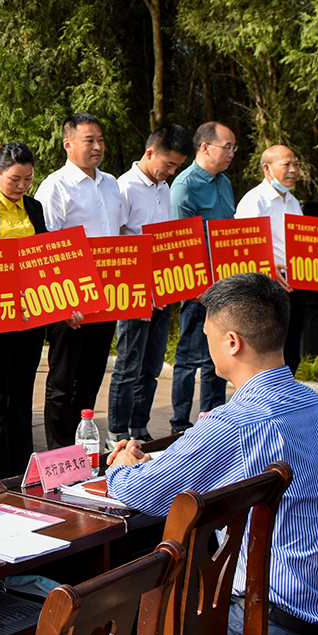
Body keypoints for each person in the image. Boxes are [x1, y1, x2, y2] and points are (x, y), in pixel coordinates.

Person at [106, 273, 318, 635]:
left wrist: (124, 467)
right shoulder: (316, 406)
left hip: (275, 634)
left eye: (207, 336)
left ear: (232, 342)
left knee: (120, 620)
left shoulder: (236, 422)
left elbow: (144, 493)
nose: (205, 345)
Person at [35, 113, 124, 447]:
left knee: (91, 377)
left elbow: (120, 236)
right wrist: (62, 304)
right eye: (89, 140)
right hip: (71, 301)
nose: (97, 146)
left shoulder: (111, 183)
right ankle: (59, 450)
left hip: (107, 297)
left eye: (100, 139)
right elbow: (48, 248)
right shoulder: (55, 186)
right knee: (62, 380)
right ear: (68, 144)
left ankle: (82, 444)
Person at [109, 124, 192, 442]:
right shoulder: (125, 187)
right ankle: (117, 431)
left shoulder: (164, 188)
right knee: (128, 364)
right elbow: (119, 243)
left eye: (177, 167)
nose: (171, 172)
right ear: (150, 153)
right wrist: (139, 293)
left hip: (163, 289)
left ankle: (139, 428)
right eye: (168, 164)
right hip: (136, 293)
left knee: (152, 366)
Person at [0, 143, 50, 483]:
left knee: (22, 391)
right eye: (15, 179)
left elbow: (45, 254)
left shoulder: (34, 207)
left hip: (31, 313)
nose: (21, 186)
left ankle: (22, 470)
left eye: (28, 179)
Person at [168, 121, 239, 432]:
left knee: (217, 358)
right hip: (197, 287)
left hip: (225, 285)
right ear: (205, 147)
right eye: (227, 147)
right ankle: (180, 425)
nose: (232, 153)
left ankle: (213, 420)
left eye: (234, 148)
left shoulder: (225, 182)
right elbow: (179, 241)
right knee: (188, 357)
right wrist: (195, 285)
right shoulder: (184, 186)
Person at [235, 144, 308, 371]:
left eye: (296, 164)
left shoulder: (293, 202)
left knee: (291, 349)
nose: (293, 170)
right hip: (266, 287)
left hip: (294, 283)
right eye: (286, 164)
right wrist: (266, 266)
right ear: (267, 169)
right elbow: (243, 245)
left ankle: (286, 392)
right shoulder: (254, 200)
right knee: (268, 352)